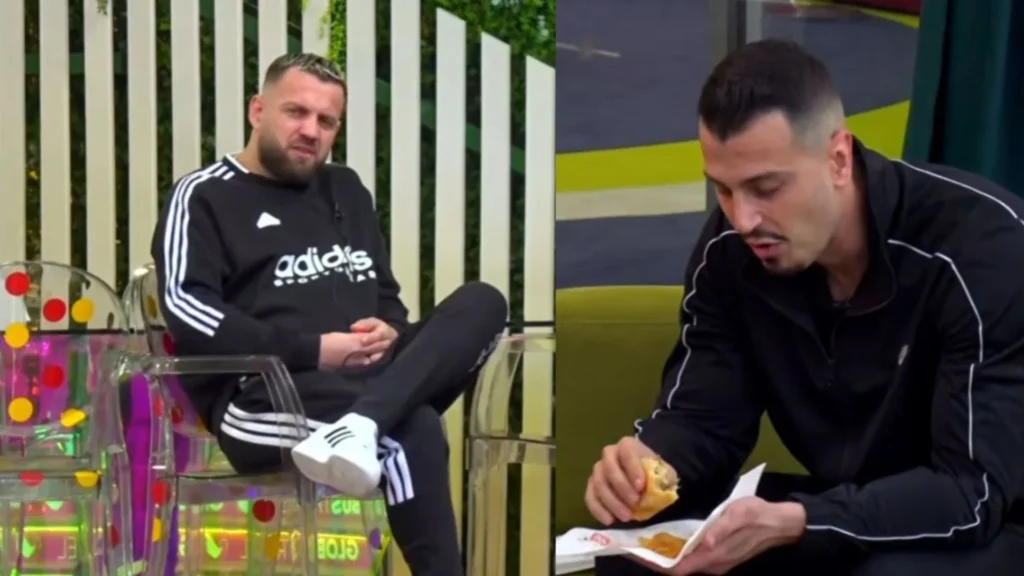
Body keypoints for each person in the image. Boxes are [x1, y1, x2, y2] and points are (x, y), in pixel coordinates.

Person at [587, 39, 1024, 575]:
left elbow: (971, 493)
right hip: (838, 504)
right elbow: (705, 417)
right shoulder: (730, 251)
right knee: (635, 551)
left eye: (766, 187)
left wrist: (803, 519)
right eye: (723, 190)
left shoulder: (983, 251)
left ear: (838, 159)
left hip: (990, 524)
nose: (743, 219)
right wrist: (651, 462)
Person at [150, 52, 507, 576]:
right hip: (265, 396)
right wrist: (315, 350)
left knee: (485, 302)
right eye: (296, 112)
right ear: (257, 110)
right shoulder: (203, 194)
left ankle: (362, 424)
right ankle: (371, 423)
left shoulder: (347, 189)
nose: (310, 131)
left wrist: (391, 329)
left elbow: (384, 294)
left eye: (326, 120)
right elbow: (187, 309)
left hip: (367, 384)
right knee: (412, 429)